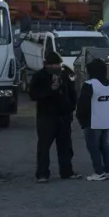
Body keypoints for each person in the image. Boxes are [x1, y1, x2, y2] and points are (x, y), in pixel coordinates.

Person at [29, 50, 82, 183]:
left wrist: (71, 107)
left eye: (58, 64)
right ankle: (42, 174)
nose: (56, 67)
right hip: (46, 117)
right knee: (44, 147)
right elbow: (33, 95)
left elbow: (72, 92)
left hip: (64, 116)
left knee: (65, 146)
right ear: (46, 65)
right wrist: (51, 90)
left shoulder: (64, 75)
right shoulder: (39, 76)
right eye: (53, 65)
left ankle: (67, 172)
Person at [76, 58, 109, 181]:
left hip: (93, 121)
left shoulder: (89, 85)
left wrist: (81, 119)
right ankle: (108, 170)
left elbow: (83, 105)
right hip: (106, 120)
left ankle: (99, 172)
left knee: (93, 147)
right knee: (104, 146)